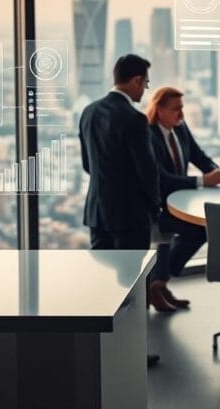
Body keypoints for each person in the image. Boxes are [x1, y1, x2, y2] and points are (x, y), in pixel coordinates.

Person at [79, 54, 162, 366]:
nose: (145, 90)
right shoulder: (134, 119)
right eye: (145, 83)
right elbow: (147, 171)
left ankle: (102, 354)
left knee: (102, 287)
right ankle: (132, 355)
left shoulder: (88, 112)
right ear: (136, 80)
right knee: (132, 289)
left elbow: (88, 165)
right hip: (129, 216)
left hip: (97, 212)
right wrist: (154, 207)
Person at [146, 86, 220, 312]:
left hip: (177, 204)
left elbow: (199, 156)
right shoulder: (148, 135)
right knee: (199, 229)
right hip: (155, 207)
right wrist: (203, 181)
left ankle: (157, 284)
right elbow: (162, 179)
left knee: (201, 229)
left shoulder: (180, 129)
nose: (182, 114)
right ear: (159, 110)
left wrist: (216, 171)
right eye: (176, 109)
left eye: (182, 108)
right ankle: (157, 284)